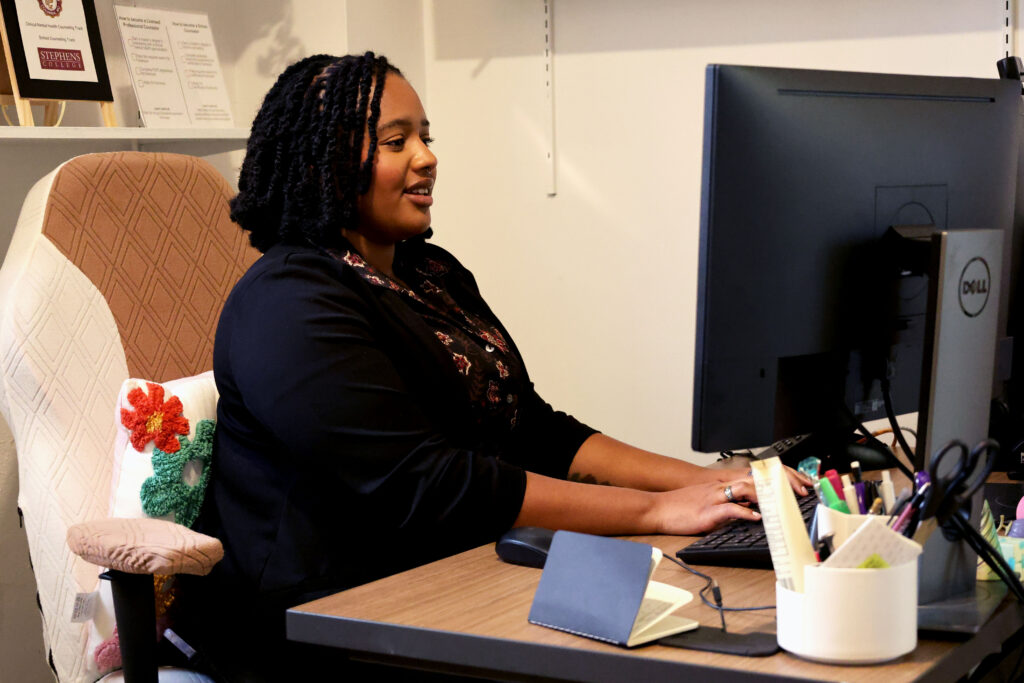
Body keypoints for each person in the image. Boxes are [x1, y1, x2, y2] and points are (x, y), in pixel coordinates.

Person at [185, 52, 810, 681]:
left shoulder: (432, 273)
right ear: (322, 160)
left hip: (453, 578)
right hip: (323, 626)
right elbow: (431, 484)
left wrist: (700, 484)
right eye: (396, 141)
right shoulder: (287, 304)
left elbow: (534, 430)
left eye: (425, 137)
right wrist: (655, 512)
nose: (426, 157)